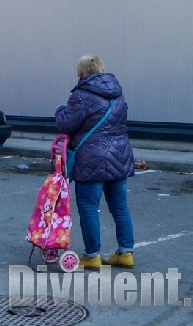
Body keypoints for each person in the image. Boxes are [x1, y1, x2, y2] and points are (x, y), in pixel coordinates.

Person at [56, 54, 135, 270]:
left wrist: (60, 111)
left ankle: (92, 256)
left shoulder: (81, 96)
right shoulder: (117, 93)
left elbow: (66, 124)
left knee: (89, 208)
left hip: (92, 160)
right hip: (119, 157)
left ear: (80, 74)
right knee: (120, 207)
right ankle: (126, 253)